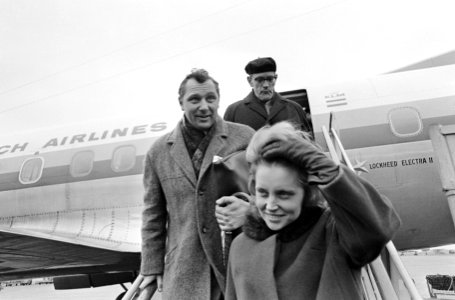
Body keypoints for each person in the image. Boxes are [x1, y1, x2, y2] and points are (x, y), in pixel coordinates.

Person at [225, 121, 401, 300]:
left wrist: (327, 169)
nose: (270, 205)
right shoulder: (241, 247)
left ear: (307, 193)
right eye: (262, 192)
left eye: (284, 194)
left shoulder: (333, 235)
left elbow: (377, 227)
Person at [139, 69, 255, 300]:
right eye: (195, 99)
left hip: (239, 260)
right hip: (186, 267)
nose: (204, 106)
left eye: (210, 99)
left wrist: (251, 210)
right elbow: (153, 213)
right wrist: (152, 266)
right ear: (181, 102)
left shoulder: (246, 138)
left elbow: (269, 193)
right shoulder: (158, 152)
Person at [223, 57, 311, 132]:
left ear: (275, 78)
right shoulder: (234, 112)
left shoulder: (295, 108)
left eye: (270, 79)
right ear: (250, 81)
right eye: (259, 80)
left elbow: (309, 144)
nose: (265, 85)